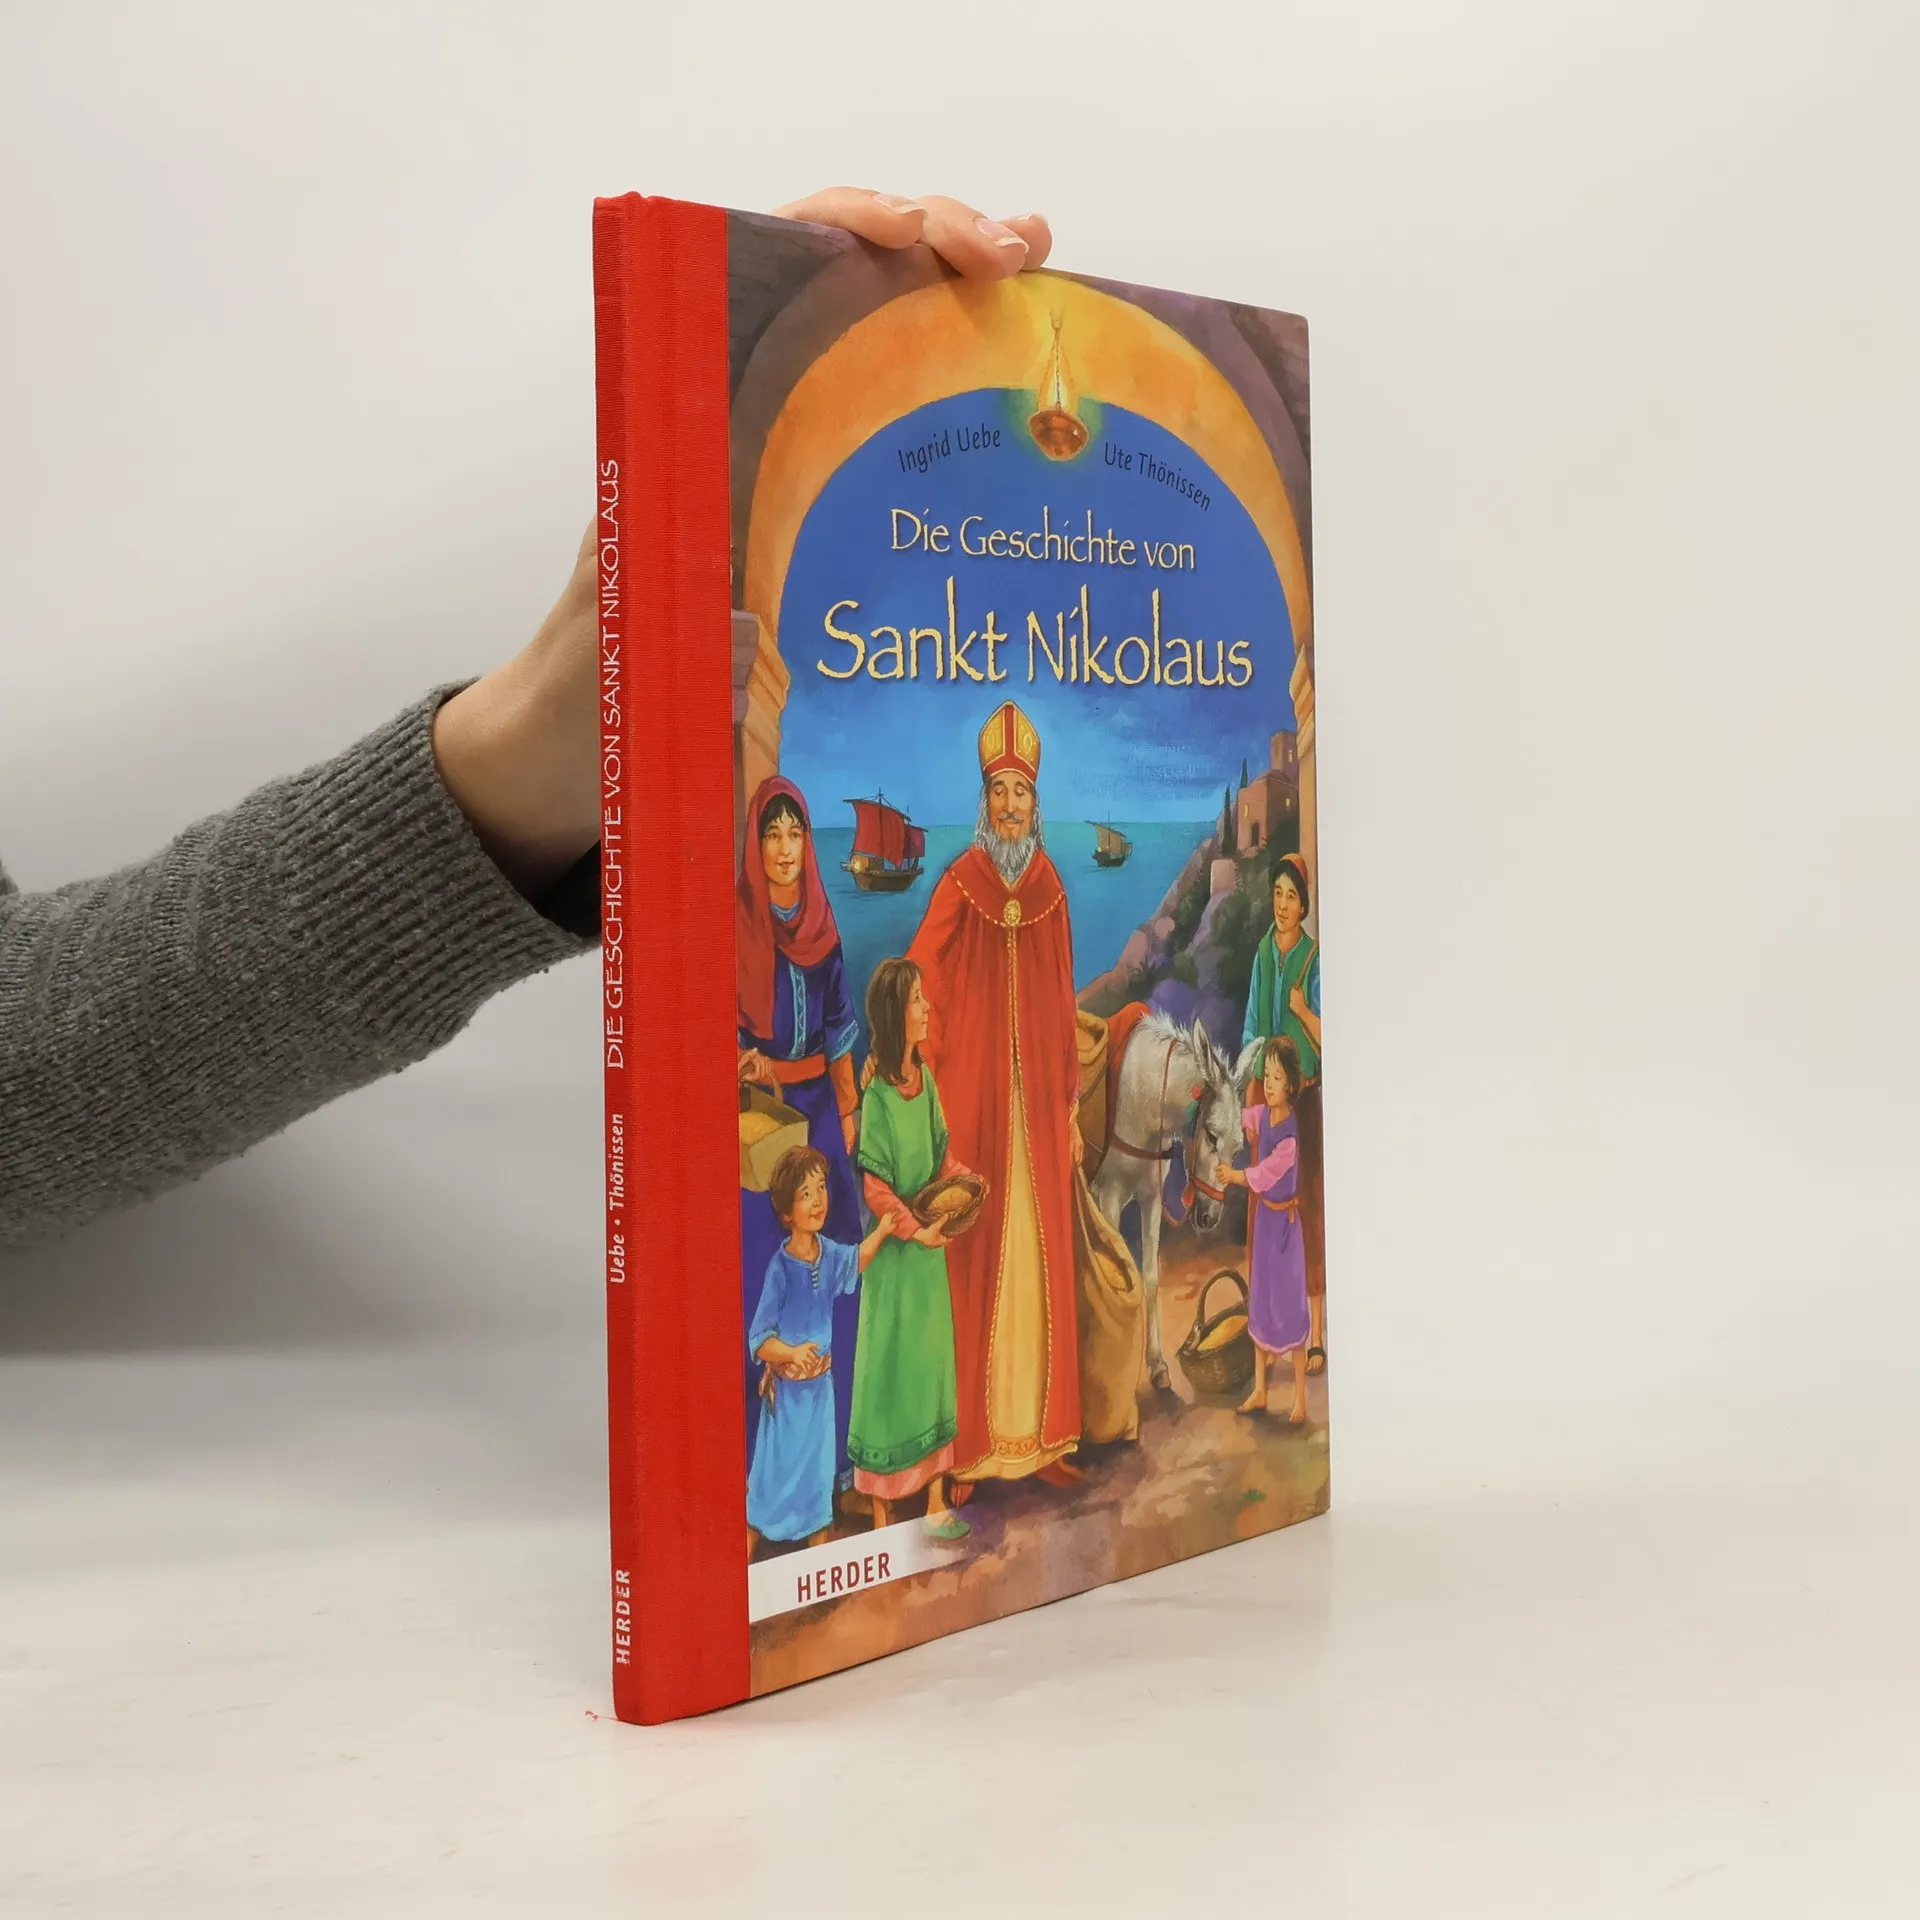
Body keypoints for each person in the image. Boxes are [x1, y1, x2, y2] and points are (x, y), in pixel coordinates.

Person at [0, 188, 1054, 1251]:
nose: (1011, 805)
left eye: (1022, 793)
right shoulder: (909, 897)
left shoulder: (950, 907)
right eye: (778, 835)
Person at [902, 702, 1084, 1497]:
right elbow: (920, 977)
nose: (1011, 804)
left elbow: (1062, 998)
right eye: (1000, 791)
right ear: (985, 801)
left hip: (1037, 1107)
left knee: (1042, 1260)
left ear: (1035, 804)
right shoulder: (960, 884)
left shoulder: (1050, 890)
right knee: (973, 1262)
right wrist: (925, 1065)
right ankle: (972, 1451)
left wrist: (1068, 1105)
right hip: (975, 1104)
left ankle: (1044, 1439)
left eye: (1022, 791)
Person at [735, 777, 863, 1489]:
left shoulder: (822, 923)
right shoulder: (736, 924)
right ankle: (765, 1470)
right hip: (764, 1121)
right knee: (767, 1275)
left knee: (840, 1266)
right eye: (771, 835)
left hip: (818, 1114)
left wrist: (848, 1112)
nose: (784, 849)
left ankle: (837, 1458)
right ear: (755, 846)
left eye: (794, 834)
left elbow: (840, 1028)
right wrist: (741, 1059)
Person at [850, 958, 972, 1540]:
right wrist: (912, 1229)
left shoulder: (927, 1085)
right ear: (897, 1014)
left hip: (928, 1260)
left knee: (931, 1374)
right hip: (895, 1265)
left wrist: (966, 1184)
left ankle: (934, 1504)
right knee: (889, 1379)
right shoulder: (877, 1096)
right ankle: (882, 1517)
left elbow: (943, 1159)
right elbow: (875, 1187)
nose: (927, 1008)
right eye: (918, 1000)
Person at [746, 1147, 896, 1553]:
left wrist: (882, 1231)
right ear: (786, 1212)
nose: (818, 1200)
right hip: (787, 1401)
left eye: (821, 1188)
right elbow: (760, 1338)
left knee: (817, 1483)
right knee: (771, 1484)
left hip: (819, 1396)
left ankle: (819, 1556)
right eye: (805, 1194)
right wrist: (791, 1353)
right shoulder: (780, 1269)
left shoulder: (829, 1253)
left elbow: (856, 1260)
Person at [1240, 851, 1327, 1372]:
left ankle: (1314, 1335)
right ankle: (1270, 1332)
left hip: (1305, 1100)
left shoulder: (1314, 959)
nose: (1283, 904)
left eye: (1292, 896)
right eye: (1277, 893)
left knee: (1306, 1209)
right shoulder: (1261, 953)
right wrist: (1253, 1085)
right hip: (1265, 1099)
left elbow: (1327, 1037)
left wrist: (1302, 1011)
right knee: (1264, 1215)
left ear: (1305, 905)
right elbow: (1252, 1025)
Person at [1217, 1036, 1310, 1425]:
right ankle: (1260, 1389)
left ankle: (1300, 1397)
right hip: (1266, 1227)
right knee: (1262, 1303)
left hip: (1285, 1231)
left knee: (1289, 1307)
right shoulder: (1262, 1116)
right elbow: (1239, 1116)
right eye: (1266, 1075)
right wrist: (1217, 1096)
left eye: (1276, 1077)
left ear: (1291, 1083)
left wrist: (1234, 1175)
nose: (1268, 1084)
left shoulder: (1289, 1134)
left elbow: (1265, 1173)